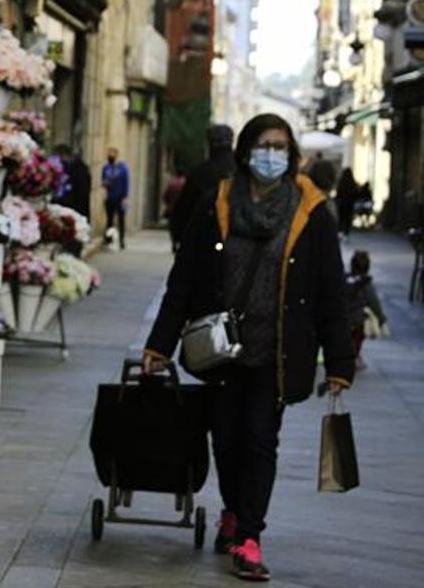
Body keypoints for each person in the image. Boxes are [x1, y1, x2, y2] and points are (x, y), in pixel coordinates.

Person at [141, 113, 354, 581]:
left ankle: (250, 535)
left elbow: (330, 292)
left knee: (260, 441)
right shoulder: (215, 203)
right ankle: (233, 511)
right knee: (225, 438)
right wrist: (159, 342)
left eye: (280, 147)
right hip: (219, 349)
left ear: (292, 155)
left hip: (277, 354)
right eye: (263, 145)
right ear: (244, 151)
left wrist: (339, 362)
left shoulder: (311, 212)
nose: (271, 155)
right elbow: (184, 279)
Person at [169, 124, 235, 252]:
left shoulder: (200, 173)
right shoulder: (242, 170)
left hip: (203, 241)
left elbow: (184, 207)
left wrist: (178, 237)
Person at [345, 249, 386, 370]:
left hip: (342, 316)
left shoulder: (345, 279)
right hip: (357, 319)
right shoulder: (366, 283)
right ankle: (354, 356)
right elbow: (374, 302)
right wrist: (381, 317)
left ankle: (349, 356)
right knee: (357, 337)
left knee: (346, 338)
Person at [101, 146, 130, 248]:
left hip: (120, 197)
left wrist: (125, 196)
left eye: (113, 154)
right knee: (110, 219)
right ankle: (108, 239)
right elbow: (103, 181)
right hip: (110, 197)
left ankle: (122, 240)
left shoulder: (122, 168)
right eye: (109, 155)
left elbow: (126, 182)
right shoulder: (106, 167)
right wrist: (106, 183)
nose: (111, 156)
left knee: (121, 219)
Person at [336, 167, 359, 236]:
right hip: (349, 203)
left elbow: (338, 193)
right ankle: (346, 232)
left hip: (342, 203)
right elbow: (356, 193)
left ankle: (340, 231)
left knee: (341, 218)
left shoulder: (341, 182)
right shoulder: (352, 183)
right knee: (348, 218)